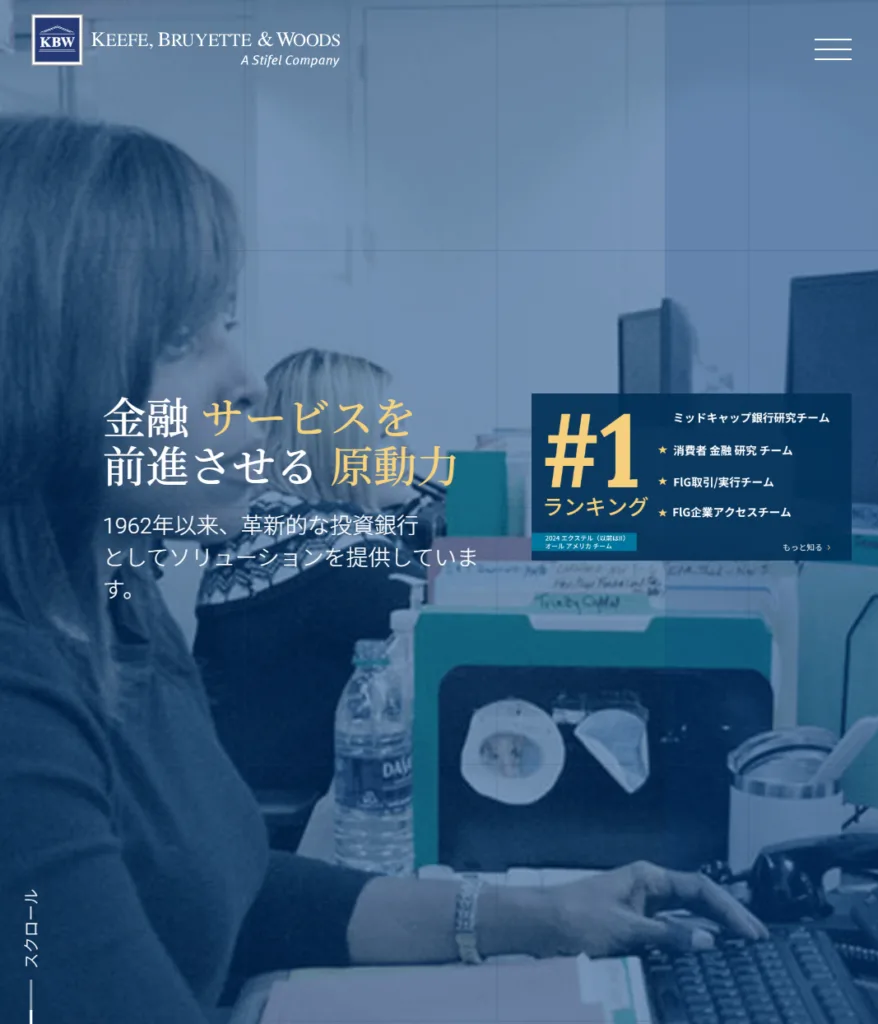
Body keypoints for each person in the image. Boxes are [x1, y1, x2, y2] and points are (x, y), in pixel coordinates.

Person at [0, 115, 767, 1024]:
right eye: (178, 338)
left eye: (224, 324)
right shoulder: (19, 700)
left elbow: (233, 895)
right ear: (38, 368)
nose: (246, 383)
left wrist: (545, 916)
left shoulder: (114, 602)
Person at [194, 351, 431, 845]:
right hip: (309, 834)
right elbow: (448, 619)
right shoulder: (342, 550)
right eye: (387, 433)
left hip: (225, 807)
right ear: (335, 443)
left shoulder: (269, 526)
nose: (406, 449)